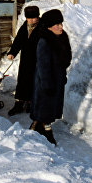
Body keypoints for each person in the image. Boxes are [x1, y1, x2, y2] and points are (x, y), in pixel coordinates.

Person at [29, 9, 72, 145]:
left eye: (61, 24)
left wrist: (62, 75)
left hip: (57, 78)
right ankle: (46, 131)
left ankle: (37, 124)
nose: (60, 27)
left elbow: (65, 59)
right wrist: (47, 84)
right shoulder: (44, 41)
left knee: (51, 107)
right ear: (49, 27)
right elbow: (43, 66)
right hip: (46, 80)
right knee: (46, 107)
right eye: (57, 24)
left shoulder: (62, 38)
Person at [6, 5, 41, 116]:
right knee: (22, 80)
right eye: (29, 18)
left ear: (38, 16)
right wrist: (12, 52)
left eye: (34, 18)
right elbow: (18, 41)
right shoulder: (24, 26)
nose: (31, 20)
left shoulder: (43, 27)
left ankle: (32, 103)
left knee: (35, 81)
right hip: (26, 59)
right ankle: (19, 104)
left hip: (38, 60)